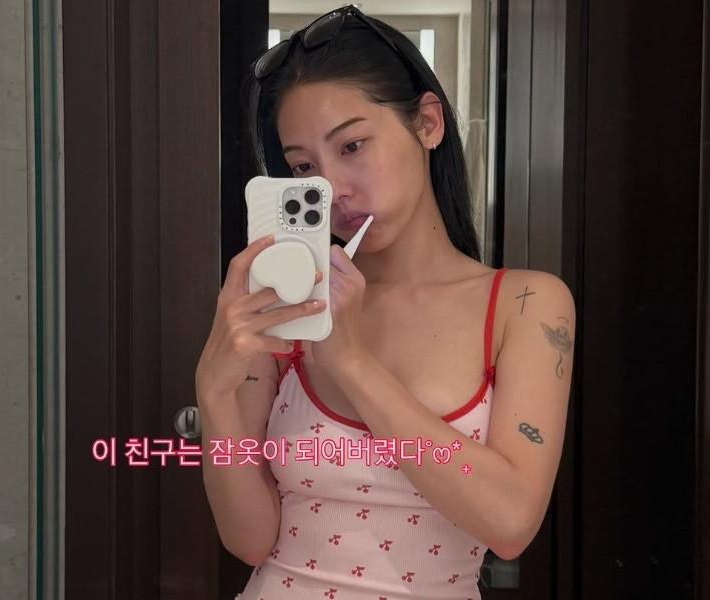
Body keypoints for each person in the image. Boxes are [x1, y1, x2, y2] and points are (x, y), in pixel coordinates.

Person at [195, 6, 575, 599]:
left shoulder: (526, 305)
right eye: (304, 167)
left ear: (427, 123)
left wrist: (350, 362)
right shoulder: (290, 307)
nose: (333, 189)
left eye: (352, 145)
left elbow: (510, 524)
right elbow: (250, 539)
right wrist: (214, 395)